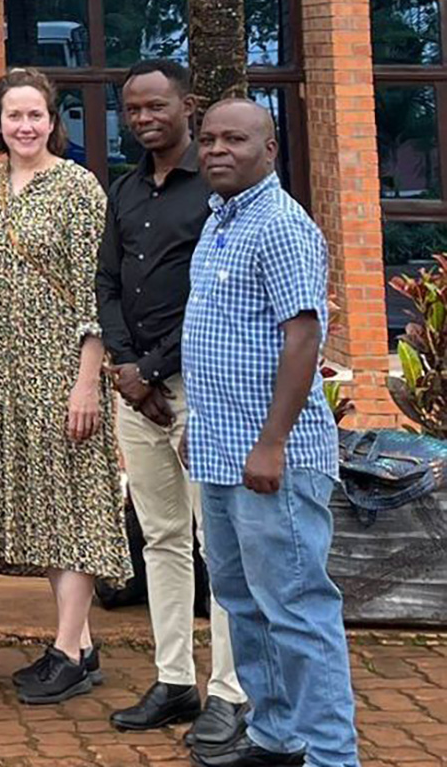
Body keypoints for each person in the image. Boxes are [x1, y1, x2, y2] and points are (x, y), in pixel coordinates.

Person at [182, 99, 358, 767]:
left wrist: (273, 442)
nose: (218, 149)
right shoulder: (222, 219)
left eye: (236, 139)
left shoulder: (282, 225)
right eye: (209, 139)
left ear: (270, 148)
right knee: (240, 601)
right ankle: (276, 736)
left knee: (297, 608)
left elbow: (304, 335)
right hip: (220, 452)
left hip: (272, 458)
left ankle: (333, 756)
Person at [0, 67, 130, 704]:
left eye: (36, 116)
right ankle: (79, 642)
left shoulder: (79, 187)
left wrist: (89, 381)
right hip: (4, 374)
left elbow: (97, 290)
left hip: (64, 369)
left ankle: (66, 649)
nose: (25, 127)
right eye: (14, 116)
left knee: (74, 507)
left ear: (53, 122)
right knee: (41, 508)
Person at [97, 62, 248, 746]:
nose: (142, 118)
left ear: (186, 106)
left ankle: (230, 690)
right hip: (139, 390)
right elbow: (107, 281)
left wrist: (153, 370)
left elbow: (209, 297)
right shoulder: (126, 190)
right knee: (161, 538)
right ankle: (174, 678)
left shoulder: (214, 191)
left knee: (218, 544)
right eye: (131, 109)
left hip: (199, 391)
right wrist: (127, 370)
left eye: (155, 105)